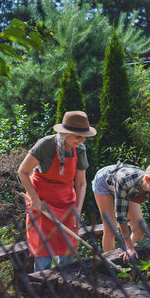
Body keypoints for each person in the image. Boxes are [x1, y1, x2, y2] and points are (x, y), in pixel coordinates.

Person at [18, 111, 96, 275]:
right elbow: (23, 172)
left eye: (84, 137)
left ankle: (63, 293)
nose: (82, 141)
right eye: (78, 137)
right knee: (43, 252)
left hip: (67, 203)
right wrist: (34, 198)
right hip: (42, 203)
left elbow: (81, 183)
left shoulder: (79, 149)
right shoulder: (45, 145)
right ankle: (41, 297)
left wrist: (77, 211)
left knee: (67, 252)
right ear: (66, 134)